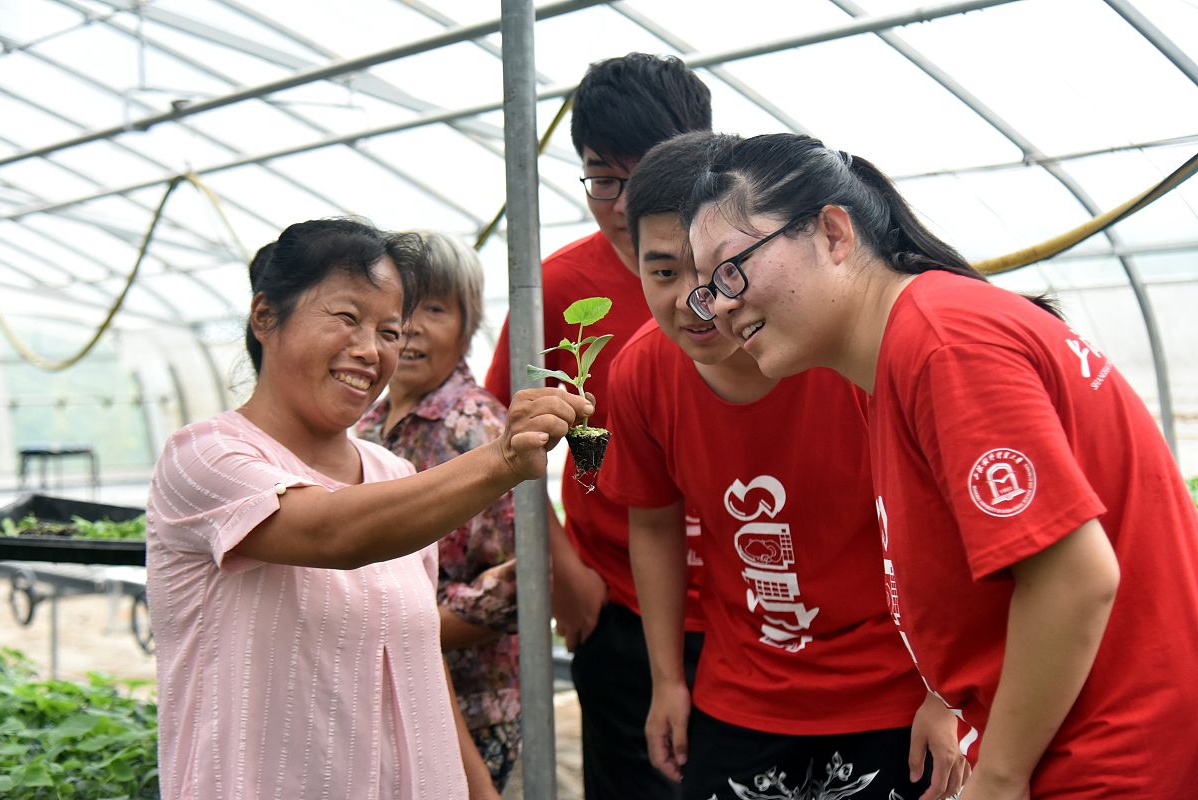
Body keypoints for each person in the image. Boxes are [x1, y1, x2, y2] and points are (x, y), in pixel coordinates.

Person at [682, 133, 1198, 799]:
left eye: (732, 269)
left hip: (1111, 756)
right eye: (705, 289)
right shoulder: (895, 365)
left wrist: (1001, 777)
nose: (719, 304)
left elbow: (1076, 575)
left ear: (833, 233)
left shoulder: (942, 343)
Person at [145, 218, 591, 800]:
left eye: (388, 330)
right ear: (265, 316)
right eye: (347, 318)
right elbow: (332, 533)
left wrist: (479, 791)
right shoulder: (204, 457)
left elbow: (415, 659)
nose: (371, 350)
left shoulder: (393, 473)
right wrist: (501, 459)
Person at [599, 130, 966, 800]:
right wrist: (667, 680)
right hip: (740, 694)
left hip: (893, 690)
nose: (694, 298)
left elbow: (951, 528)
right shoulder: (640, 374)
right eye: (663, 272)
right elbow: (652, 521)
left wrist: (946, 693)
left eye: (716, 270)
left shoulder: (855, 353)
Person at [484, 52, 713, 798]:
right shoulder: (557, 288)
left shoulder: (758, 273)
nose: (620, 204)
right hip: (618, 603)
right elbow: (500, 432)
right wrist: (563, 569)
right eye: (601, 178)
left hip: (755, 604)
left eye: (643, 175)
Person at [355, 230, 520, 794]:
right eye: (404, 308)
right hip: (379, 692)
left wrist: (395, 627)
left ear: (468, 324)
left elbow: (519, 581)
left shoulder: (478, 429)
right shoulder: (364, 424)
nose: (415, 326)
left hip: (473, 703)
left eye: (437, 308)